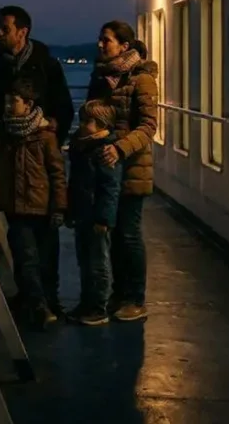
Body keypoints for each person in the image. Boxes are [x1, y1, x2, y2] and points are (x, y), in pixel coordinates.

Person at [0, 5, 74, 315]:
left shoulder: (47, 66)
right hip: (12, 165)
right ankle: (33, 300)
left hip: (39, 168)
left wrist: (49, 131)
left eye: (5, 28)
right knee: (21, 243)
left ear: (22, 31)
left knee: (46, 243)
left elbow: (64, 110)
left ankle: (48, 300)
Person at [0, 77, 67, 329]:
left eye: (14, 102)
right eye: (7, 102)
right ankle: (40, 308)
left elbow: (57, 173)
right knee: (25, 259)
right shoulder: (3, 132)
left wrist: (60, 207)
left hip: (43, 208)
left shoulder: (45, 137)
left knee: (46, 260)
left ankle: (48, 304)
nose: (9, 106)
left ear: (28, 104)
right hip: (17, 209)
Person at [87, 20, 158, 322]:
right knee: (113, 234)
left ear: (124, 46)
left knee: (129, 234)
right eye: (100, 40)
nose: (101, 45)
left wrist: (119, 148)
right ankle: (119, 292)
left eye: (107, 40)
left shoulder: (141, 80)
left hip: (132, 168)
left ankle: (135, 298)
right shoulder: (101, 76)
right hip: (107, 169)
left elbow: (148, 126)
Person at [65, 100, 123, 326]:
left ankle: (98, 307)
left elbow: (110, 188)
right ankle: (87, 303)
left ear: (102, 124)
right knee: (85, 260)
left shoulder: (104, 151)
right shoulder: (83, 147)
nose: (82, 125)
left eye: (88, 121)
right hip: (83, 213)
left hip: (94, 217)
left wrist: (104, 219)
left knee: (97, 262)